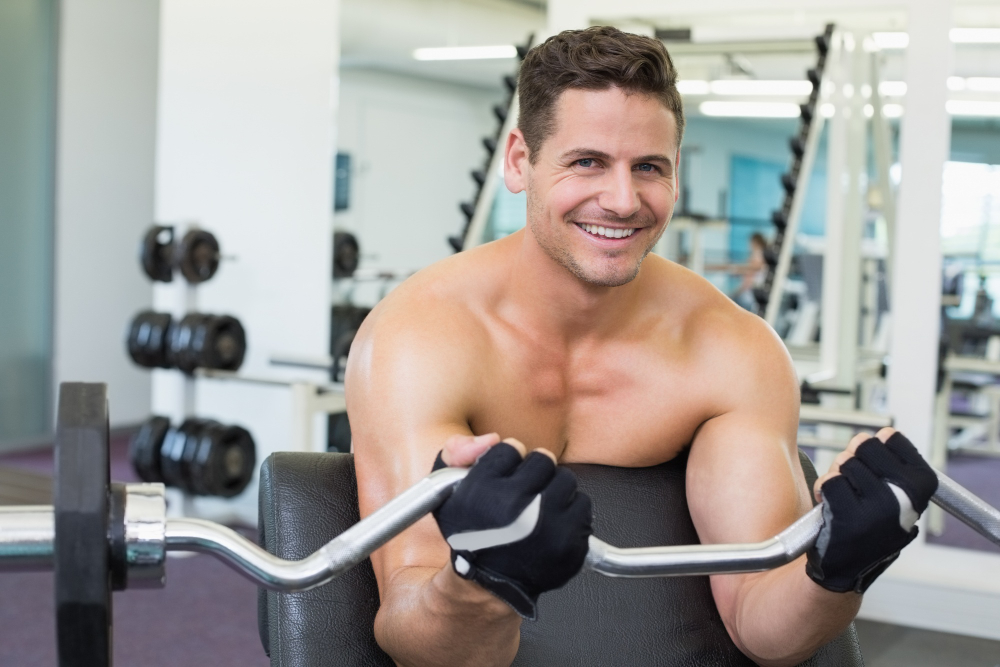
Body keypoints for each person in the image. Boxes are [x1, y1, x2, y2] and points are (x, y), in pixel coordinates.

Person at [346, 26, 936, 667]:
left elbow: (765, 628)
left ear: (675, 175)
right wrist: (479, 583)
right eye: (587, 162)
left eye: (648, 167)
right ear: (520, 161)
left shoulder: (729, 353)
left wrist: (840, 566)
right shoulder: (420, 339)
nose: (623, 200)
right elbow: (414, 638)